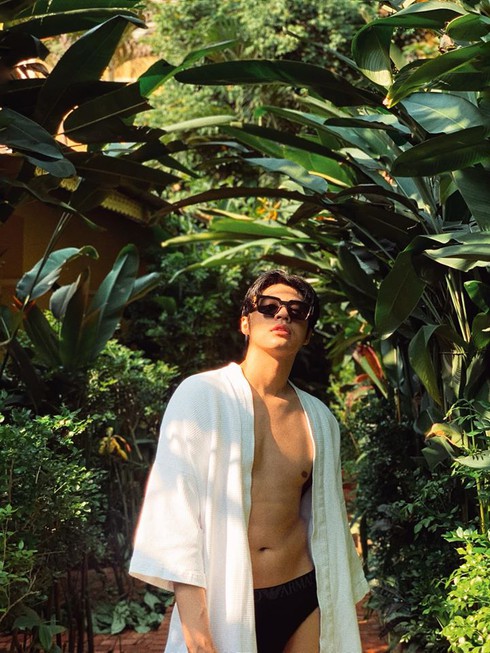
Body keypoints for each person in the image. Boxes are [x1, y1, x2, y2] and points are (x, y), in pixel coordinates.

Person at [129, 269, 368, 653]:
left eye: (297, 311)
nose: (283, 315)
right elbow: (175, 514)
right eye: (269, 306)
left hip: (303, 594)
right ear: (245, 322)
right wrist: (195, 628)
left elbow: (326, 519)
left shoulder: (320, 419)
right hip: (228, 601)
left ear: (307, 333)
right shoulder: (201, 396)